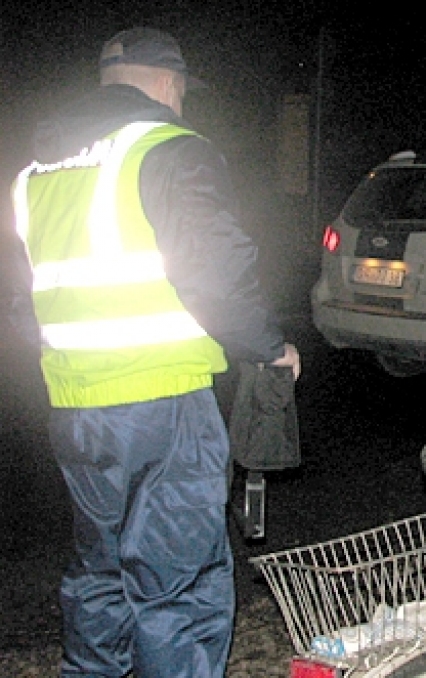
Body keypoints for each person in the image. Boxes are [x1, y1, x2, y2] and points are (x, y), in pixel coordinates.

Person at [7, 27, 300, 678]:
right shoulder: (169, 149)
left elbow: (20, 301)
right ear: (169, 85)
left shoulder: (35, 174)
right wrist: (270, 345)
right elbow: (217, 272)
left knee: (100, 572)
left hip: (78, 408)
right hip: (164, 402)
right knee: (180, 585)